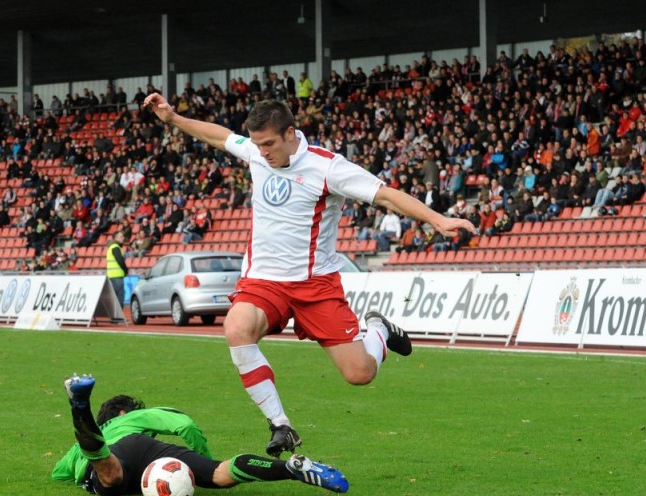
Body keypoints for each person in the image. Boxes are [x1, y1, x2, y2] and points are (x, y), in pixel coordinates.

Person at [143, 94, 474, 457]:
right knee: (236, 328)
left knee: (360, 373)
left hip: (315, 285)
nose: (263, 152)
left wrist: (438, 220)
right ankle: (280, 424)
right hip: (263, 281)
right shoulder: (256, 152)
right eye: (257, 144)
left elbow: (386, 196)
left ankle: (378, 330)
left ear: (290, 133)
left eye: (269, 144)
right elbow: (220, 137)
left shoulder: (328, 167)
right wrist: (173, 118)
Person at [53, 374, 348, 496]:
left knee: (111, 474)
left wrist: (76, 473)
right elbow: (184, 425)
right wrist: (204, 462)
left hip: (122, 456)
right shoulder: (131, 418)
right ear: (121, 413)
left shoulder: (76, 448)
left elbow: (58, 474)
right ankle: (290, 468)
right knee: (220, 474)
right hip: (145, 451)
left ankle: (79, 407)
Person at [106, 232, 128, 307]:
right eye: (121, 236)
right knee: (120, 297)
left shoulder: (111, 247)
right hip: (117, 276)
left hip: (112, 276)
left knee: (115, 297)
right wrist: (126, 270)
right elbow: (120, 260)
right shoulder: (115, 247)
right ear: (116, 238)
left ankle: (115, 316)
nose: (123, 238)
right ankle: (118, 317)